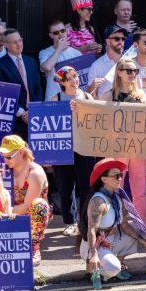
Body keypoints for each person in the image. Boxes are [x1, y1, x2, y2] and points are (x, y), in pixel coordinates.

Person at [80, 158, 146, 289]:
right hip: (96, 244)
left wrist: (143, 240)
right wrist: (94, 255)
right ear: (104, 179)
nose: (120, 178)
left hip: (111, 239)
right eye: (116, 176)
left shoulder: (117, 197)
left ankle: (113, 266)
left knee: (133, 237)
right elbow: (91, 230)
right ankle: (94, 270)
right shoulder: (98, 202)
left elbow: (124, 225)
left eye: (121, 175)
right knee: (113, 268)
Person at [52, 67, 97, 236]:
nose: (74, 80)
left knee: (86, 185)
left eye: (75, 76)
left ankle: (85, 220)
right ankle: (70, 222)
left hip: (85, 147)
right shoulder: (55, 99)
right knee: (65, 185)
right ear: (62, 82)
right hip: (63, 148)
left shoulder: (87, 96)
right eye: (69, 78)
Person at [107, 58, 146, 222]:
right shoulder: (109, 94)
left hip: (137, 147)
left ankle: (143, 226)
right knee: (115, 187)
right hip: (117, 147)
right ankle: (116, 224)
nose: (133, 74)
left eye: (135, 71)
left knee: (139, 190)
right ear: (119, 72)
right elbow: (97, 116)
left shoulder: (140, 95)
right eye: (129, 71)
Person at [0, 135, 52, 265]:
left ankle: (34, 248)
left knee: (39, 205)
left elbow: (27, 207)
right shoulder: (4, 169)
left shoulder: (34, 173)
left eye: (8, 156)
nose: (5, 160)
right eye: (3, 156)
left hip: (29, 215)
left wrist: (3, 211)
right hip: (9, 212)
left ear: (20, 153)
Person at [0, 29, 43, 135]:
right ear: (5, 45)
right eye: (14, 42)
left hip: (34, 116)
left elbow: (38, 88)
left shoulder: (31, 61)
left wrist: (34, 109)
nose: (19, 44)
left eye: (20, 40)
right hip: (14, 119)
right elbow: (2, 94)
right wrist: (21, 113)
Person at [40, 20, 83, 101]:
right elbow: (47, 67)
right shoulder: (44, 53)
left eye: (62, 31)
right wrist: (59, 49)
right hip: (53, 99)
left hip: (74, 99)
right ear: (51, 35)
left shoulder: (77, 53)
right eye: (56, 33)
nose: (60, 34)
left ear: (66, 32)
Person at [88, 25, 127, 99]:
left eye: (123, 39)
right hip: (105, 109)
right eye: (117, 39)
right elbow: (88, 96)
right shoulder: (96, 65)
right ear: (108, 41)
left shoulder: (129, 62)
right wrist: (92, 86)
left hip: (126, 108)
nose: (121, 42)